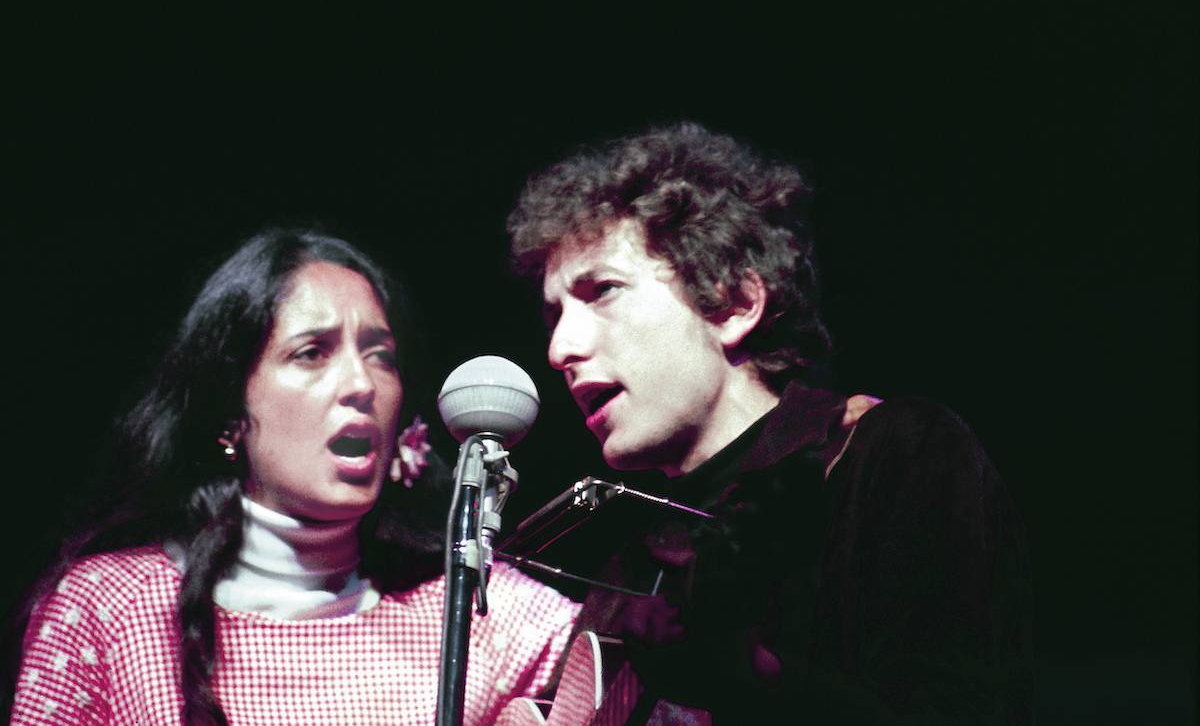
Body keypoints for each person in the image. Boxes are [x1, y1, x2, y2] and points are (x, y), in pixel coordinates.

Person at [507, 123, 1034, 723]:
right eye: (554, 314)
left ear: (733, 304)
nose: (559, 349)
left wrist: (754, 680)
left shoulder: (891, 456)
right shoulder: (627, 568)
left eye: (601, 290)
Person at [6, 229, 580, 725]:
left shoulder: (479, 612)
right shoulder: (113, 606)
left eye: (380, 354)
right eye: (312, 352)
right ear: (230, 413)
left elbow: (648, 674)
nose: (362, 384)